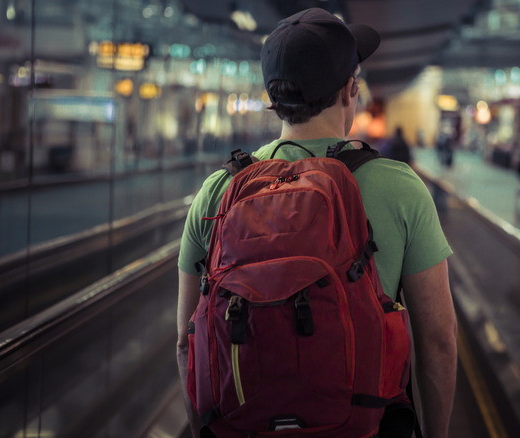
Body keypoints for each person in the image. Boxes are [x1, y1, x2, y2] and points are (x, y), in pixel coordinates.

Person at [176, 8, 457, 438]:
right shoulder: (400, 187)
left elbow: (187, 340)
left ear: (273, 98)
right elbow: (436, 339)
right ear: (350, 90)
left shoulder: (218, 191)